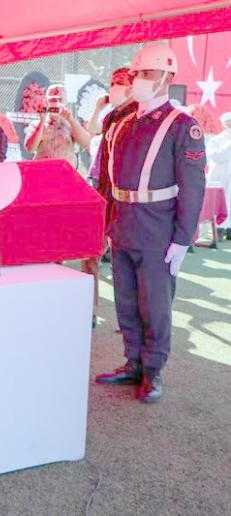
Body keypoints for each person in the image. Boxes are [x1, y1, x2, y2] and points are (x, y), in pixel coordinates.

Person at [94, 44, 206, 403]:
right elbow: (109, 181)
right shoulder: (123, 123)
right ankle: (133, 363)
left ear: (167, 78)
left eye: (147, 74)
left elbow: (193, 186)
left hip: (159, 230)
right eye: (136, 74)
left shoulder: (183, 126)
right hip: (124, 224)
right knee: (125, 302)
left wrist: (182, 239)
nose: (138, 80)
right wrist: (108, 224)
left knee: (154, 306)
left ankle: (153, 370)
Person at [80, 67, 137, 327]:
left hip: (124, 200)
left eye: (120, 83)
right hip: (101, 191)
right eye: (112, 83)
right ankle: (89, 310)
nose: (114, 87)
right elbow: (90, 132)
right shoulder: (111, 115)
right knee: (90, 253)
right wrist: (98, 108)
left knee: (124, 263)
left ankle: (132, 320)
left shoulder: (139, 116)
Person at [24, 84, 91, 171]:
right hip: (43, 172)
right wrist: (42, 122)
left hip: (65, 172)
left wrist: (70, 119)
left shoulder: (71, 124)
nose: (56, 103)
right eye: (52, 99)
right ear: (46, 101)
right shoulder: (37, 124)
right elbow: (30, 148)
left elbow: (86, 143)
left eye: (60, 99)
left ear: (65, 102)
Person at [207, 112, 231, 239]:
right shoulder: (215, 140)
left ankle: (229, 230)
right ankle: (219, 230)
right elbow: (218, 157)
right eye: (229, 122)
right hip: (219, 178)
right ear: (224, 124)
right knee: (219, 204)